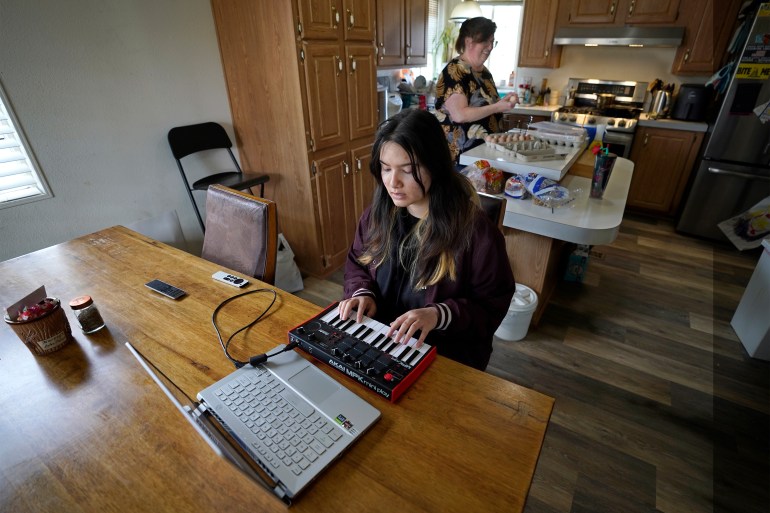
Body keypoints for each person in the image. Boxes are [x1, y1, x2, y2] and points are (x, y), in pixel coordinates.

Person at [338, 109, 515, 371]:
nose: (393, 183)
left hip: (442, 355)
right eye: (386, 169)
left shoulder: (476, 233)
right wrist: (362, 292)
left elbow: (491, 305)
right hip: (377, 342)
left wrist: (438, 314)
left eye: (408, 171)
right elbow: (357, 262)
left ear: (434, 165)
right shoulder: (378, 215)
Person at [434, 17, 519, 163]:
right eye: (485, 41)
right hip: (462, 160)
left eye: (492, 42)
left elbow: (487, 107)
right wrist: (497, 107)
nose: (490, 46)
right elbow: (459, 115)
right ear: (468, 41)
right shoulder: (455, 71)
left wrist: (501, 103)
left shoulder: (484, 72)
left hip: (485, 157)